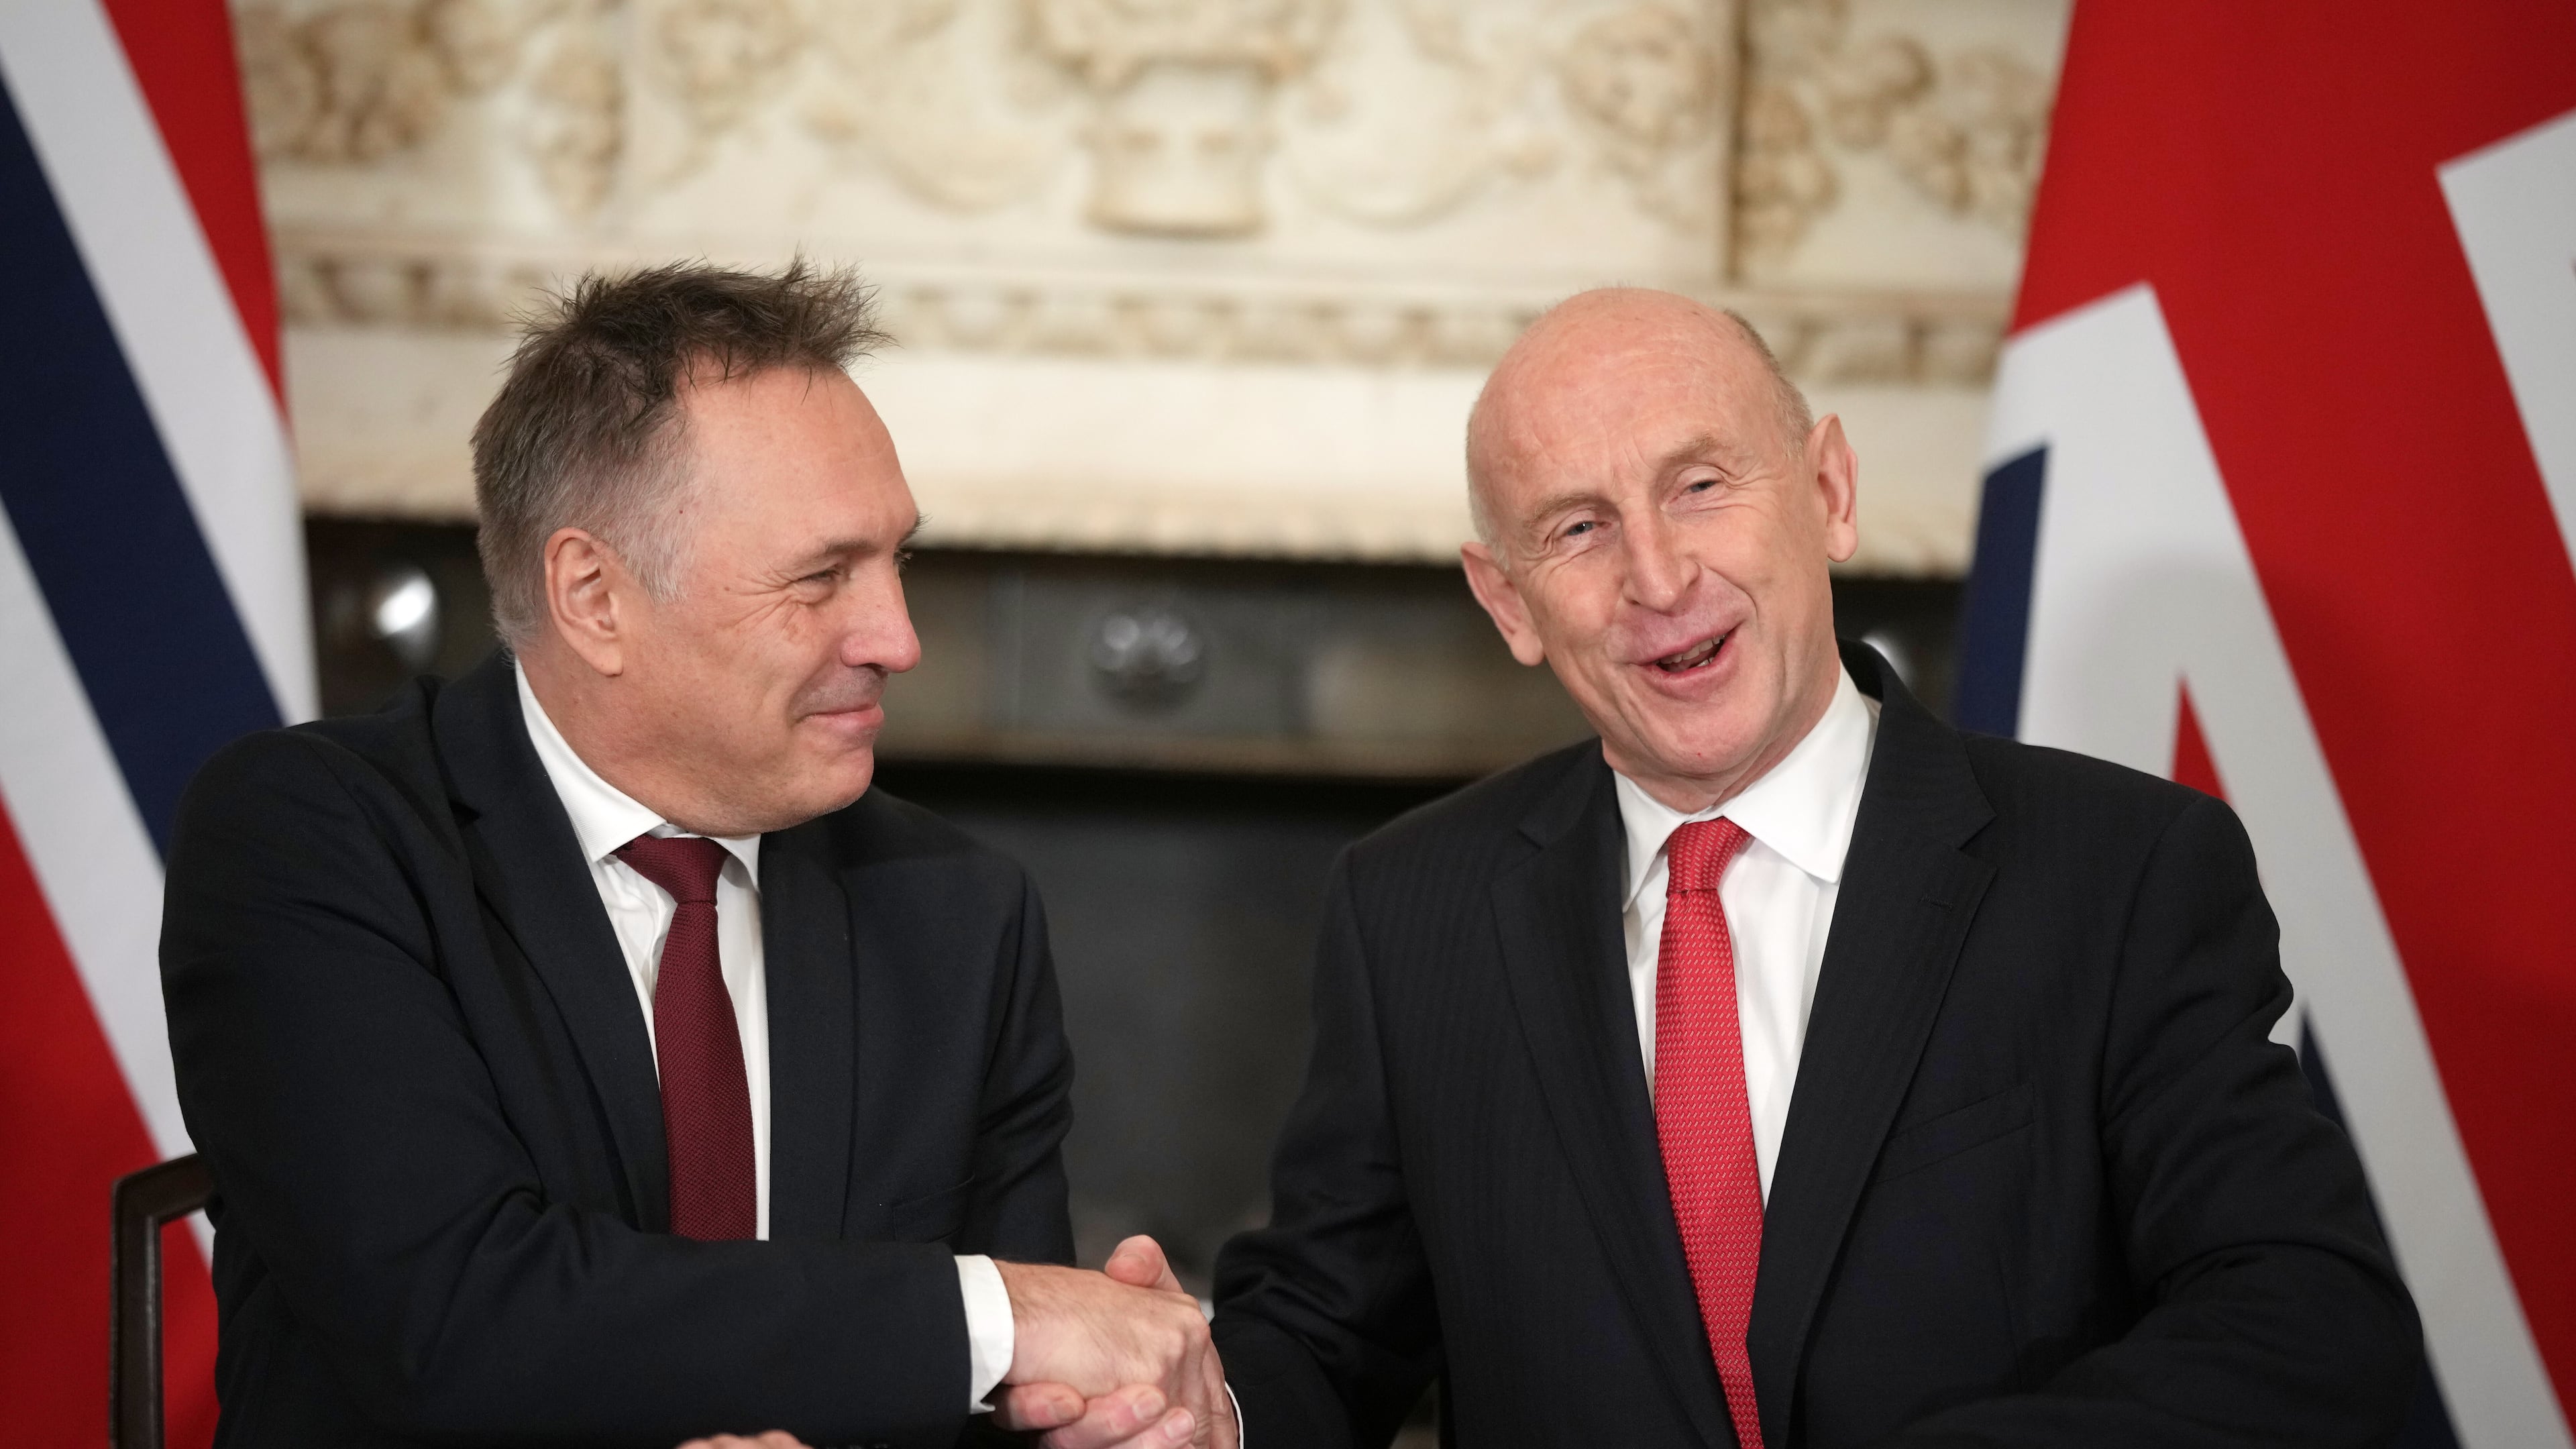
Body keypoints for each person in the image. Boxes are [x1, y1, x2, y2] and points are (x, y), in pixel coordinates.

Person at [1205, 288, 2422, 1447]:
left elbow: (2308, 1324)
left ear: (1830, 491)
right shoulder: (1412, 908)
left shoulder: (2121, 871)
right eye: (1578, 529)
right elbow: (1324, 1339)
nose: (1659, 579)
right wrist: (1179, 1404)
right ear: (1508, 601)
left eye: (1700, 486)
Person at [160, 261, 1227, 1449]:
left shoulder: (957, 913)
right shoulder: (312, 840)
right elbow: (454, 1318)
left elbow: (1012, 1410)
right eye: (821, 577)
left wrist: (1115, 1418)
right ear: (594, 597)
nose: (898, 638)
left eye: (898, 562)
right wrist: (998, 1314)